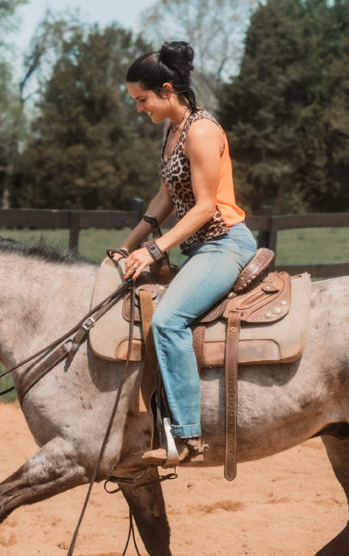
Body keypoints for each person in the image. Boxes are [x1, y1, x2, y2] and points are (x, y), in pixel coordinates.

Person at [116, 41, 257, 466]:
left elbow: (204, 207)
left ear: (166, 90)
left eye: (142, 100)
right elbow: (164, 197)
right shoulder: (171, 130)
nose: (140, 109)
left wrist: (155, 248)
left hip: (224, 242)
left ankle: (187, 435)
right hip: (199, 247)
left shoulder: (201, 131)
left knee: (168, 321)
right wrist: (127, 245)